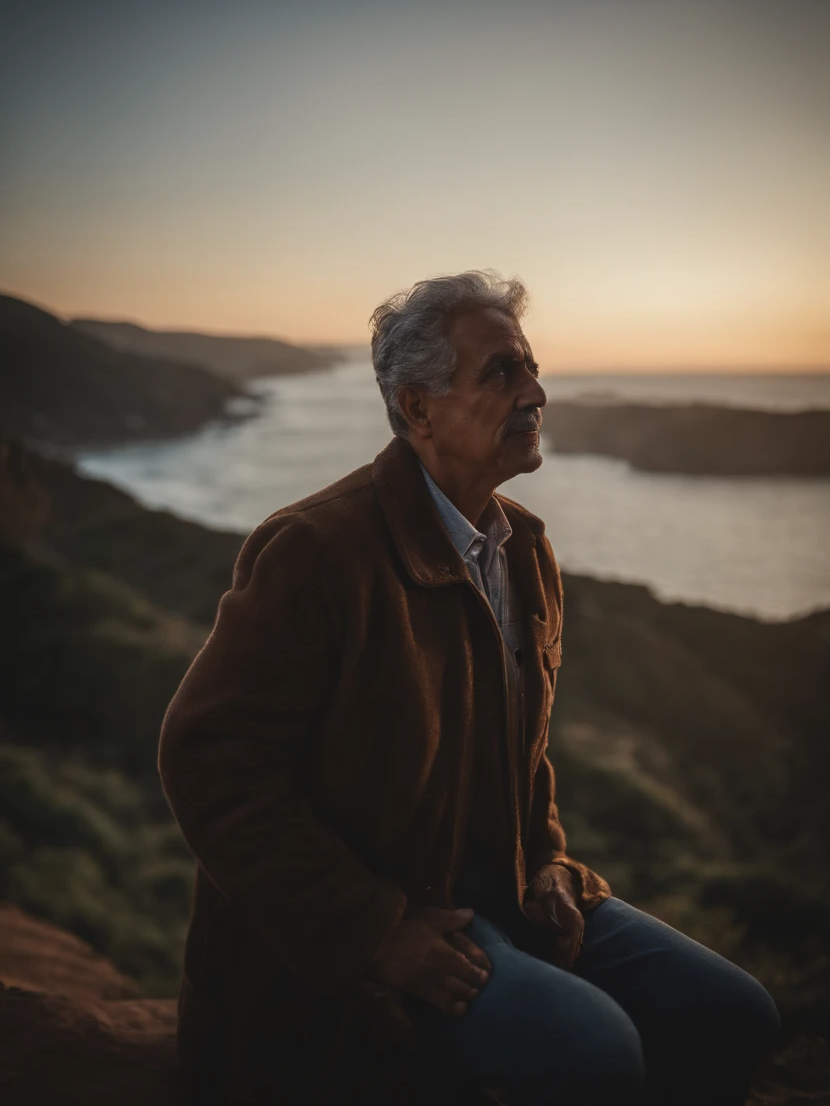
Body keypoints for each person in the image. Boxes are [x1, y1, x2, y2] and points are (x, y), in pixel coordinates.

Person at [157, 270, 781, 1106]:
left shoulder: (525, 550)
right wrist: (373, 934)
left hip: (512, 890)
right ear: (418, 410)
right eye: (501, 373)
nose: (536, 392)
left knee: (737, 1015)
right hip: (389, 913)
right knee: (594, 1050)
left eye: (529, 366)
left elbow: (521, 751)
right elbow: (209, 760)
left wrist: (553, 862)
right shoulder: (315, 552)